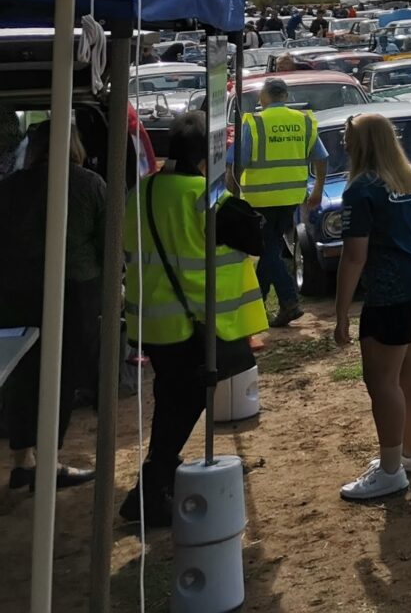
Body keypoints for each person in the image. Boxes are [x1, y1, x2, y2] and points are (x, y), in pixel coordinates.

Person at [120, 112, 266, 524]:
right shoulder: (206, 195)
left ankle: (152, 485)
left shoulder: (141, 192)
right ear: (208, 154)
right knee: (182, 404)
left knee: (171, 400)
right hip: (194, 325)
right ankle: (152, 487)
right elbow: (254, 235)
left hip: (152, 323)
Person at [332, 112, 411, 503]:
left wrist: (340, 315)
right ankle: (409, 454)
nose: (343, 143)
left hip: (391, 295)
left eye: (347, 136)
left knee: (381, 381)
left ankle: (390, 472)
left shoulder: (361, 190)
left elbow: (353, 257)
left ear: (363, 142)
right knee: (409, 374)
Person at [0, 122, 106, 492]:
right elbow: (107, 242)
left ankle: (22, 460)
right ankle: (49, 464)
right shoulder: (88, 183)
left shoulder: (10, 187)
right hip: (73, 289)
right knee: (60, 376)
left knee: (22, 374)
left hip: (15, 292)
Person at [238, 75, 328, 327]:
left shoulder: (255, 123)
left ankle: (289, 301)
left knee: (268, 250)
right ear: (286, 96)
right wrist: (318, 188)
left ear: (263, 97)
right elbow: (321, 157)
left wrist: (232, 194)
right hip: (291, 198)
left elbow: (239, 162)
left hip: (259, 198)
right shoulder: (302, 121)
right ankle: (260, 304)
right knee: (272, 250)